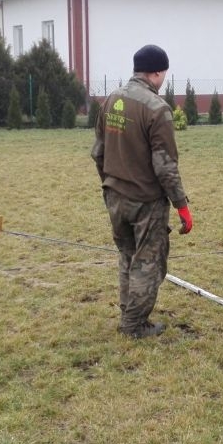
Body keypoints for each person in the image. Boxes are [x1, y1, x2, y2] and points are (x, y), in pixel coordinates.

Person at [90, 44, 193, 339]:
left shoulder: (111, 100)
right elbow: (165, 166)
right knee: (147, 264)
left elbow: (98, 152)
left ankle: (129, 313)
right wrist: (182, 205)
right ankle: (134, 324)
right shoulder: (157, 109)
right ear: (158, 72)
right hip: (145, 202)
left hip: (114, 196)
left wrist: (109, 183)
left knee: (127, 257)